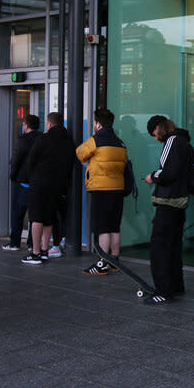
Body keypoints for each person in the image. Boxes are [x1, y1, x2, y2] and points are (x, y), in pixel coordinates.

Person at [143, 115, 194, 304]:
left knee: (160, 246)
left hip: (168, 201)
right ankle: (176, 285)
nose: (155, 138)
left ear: (159, 127)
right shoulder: (186, 143)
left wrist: (153, 176)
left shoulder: (172, 141)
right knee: (174, 246)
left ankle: (163, 290)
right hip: (180, 202)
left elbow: (168, 172)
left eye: (154, 133)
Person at [76, 108, 128, 274]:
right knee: (114, 226)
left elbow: (80, 153)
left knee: (103, 227)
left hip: (101, 189)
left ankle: (102, 262)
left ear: (98, 123)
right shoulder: (120, 142)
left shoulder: (96, 140)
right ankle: (114, 260)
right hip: (118, 188)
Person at [22, 112, 76, 264]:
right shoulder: (69, 141)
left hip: (40, 183)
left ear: (50, 124)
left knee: (36, 217)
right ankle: (45, 249)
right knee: (49, 217)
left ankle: (35, 252)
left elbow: (31, 161)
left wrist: (33, 178)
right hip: (58, 185)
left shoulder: (43, 139)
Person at [2, 114, 41, 252]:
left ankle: (15, 242)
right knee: (34, 214)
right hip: (37, 182)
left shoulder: (23, 140)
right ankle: (31, 243)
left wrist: (13, 176)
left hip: (23, 181)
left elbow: (16, 160)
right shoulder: (42, 139)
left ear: (27, 125)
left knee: (18, 213)